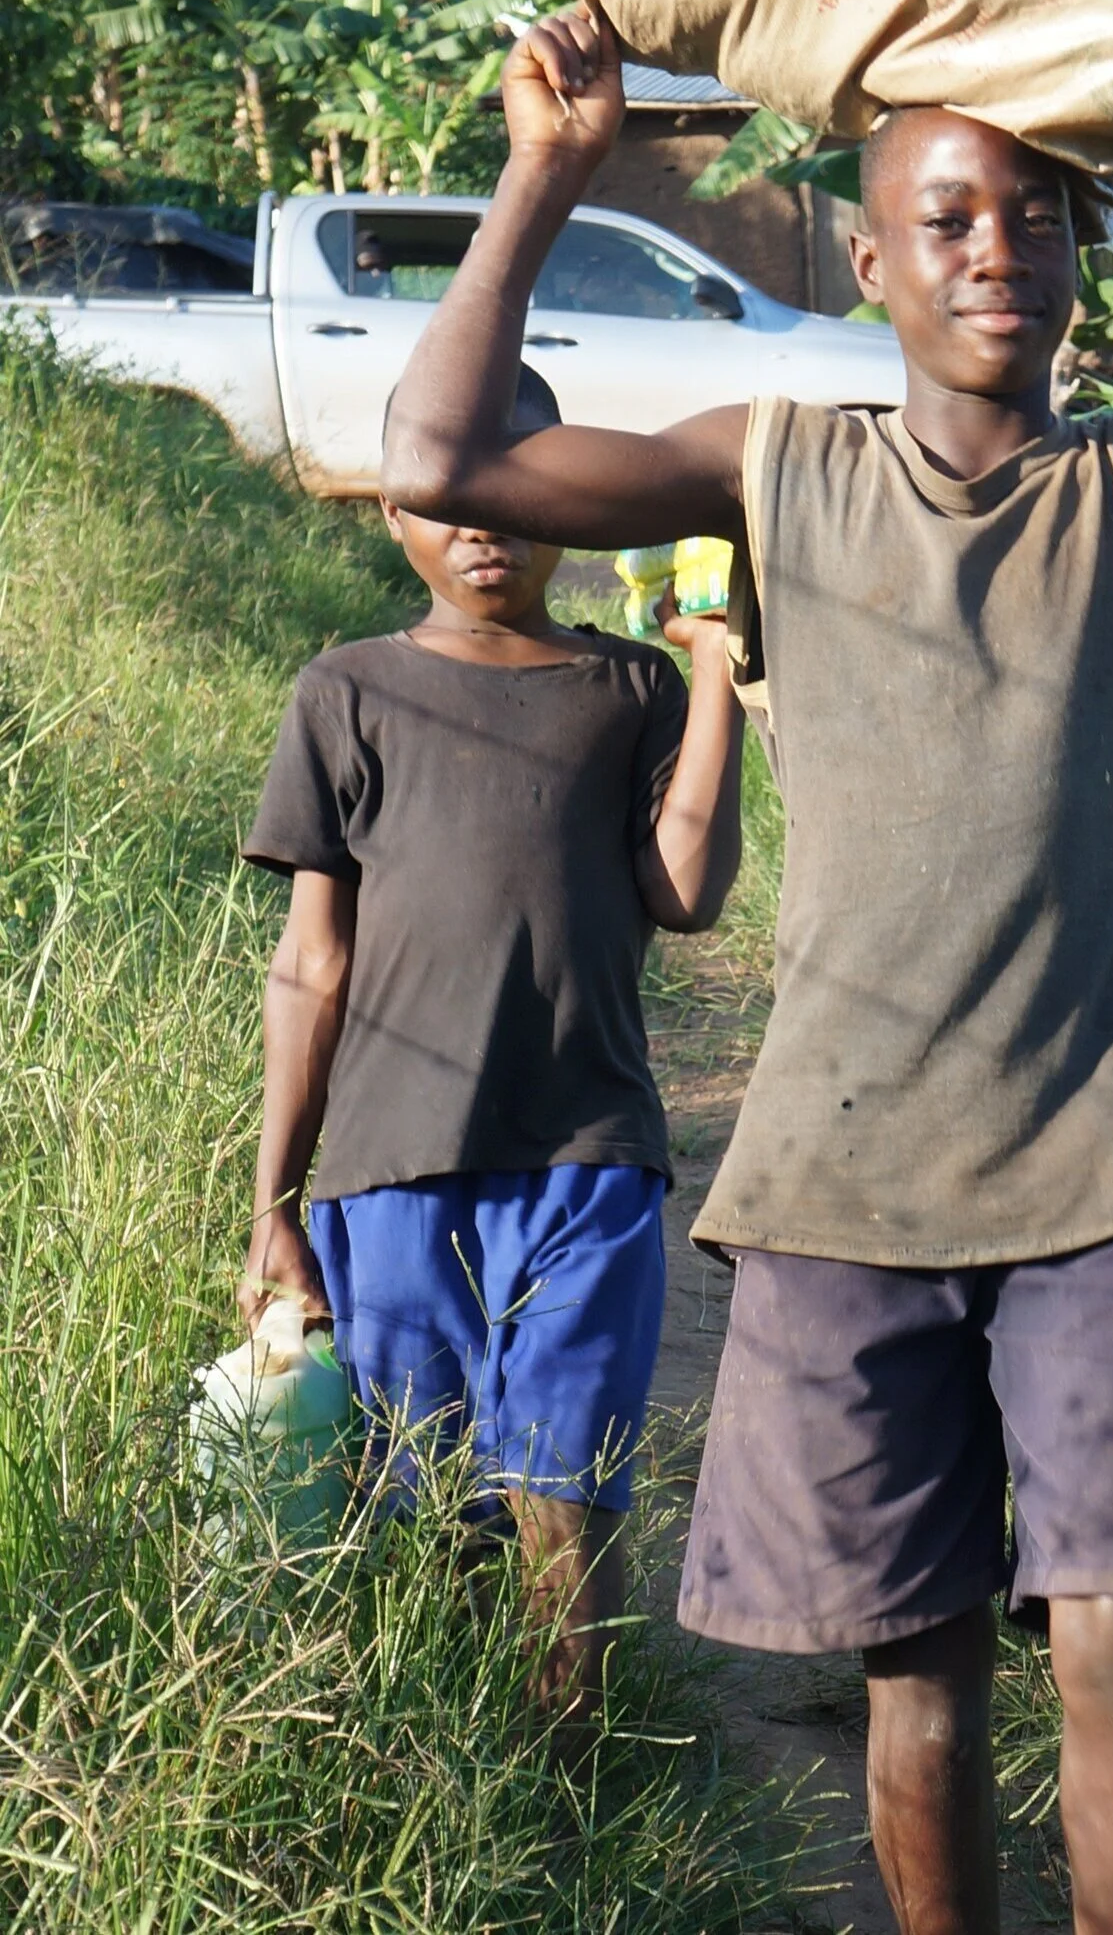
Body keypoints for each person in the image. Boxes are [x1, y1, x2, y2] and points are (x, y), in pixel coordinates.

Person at [379, 0, 1113, 1934]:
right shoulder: (779, 462)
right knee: (914, 1681)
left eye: (1033, 213)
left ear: (1083, 250)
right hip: (842, 1172)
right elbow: (441, 458)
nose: (997, 250)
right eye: (944, 219)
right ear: (868, 264)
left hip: (1107, 1164)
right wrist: (546, 171)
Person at [239, 364, 747, 1716]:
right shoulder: (346, 694)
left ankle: (568, 1776)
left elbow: (685, 894)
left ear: (565, 496)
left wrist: (713, 686)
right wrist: (274, 1205)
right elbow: (311, 963)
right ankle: (460, 1778)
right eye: (444, 493)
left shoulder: (628, 684)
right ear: (394, 506)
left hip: (588, 1154)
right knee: (423, 1499)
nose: (480, 523)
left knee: (560, 1487)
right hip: (390, 1171)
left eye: (512, 485)